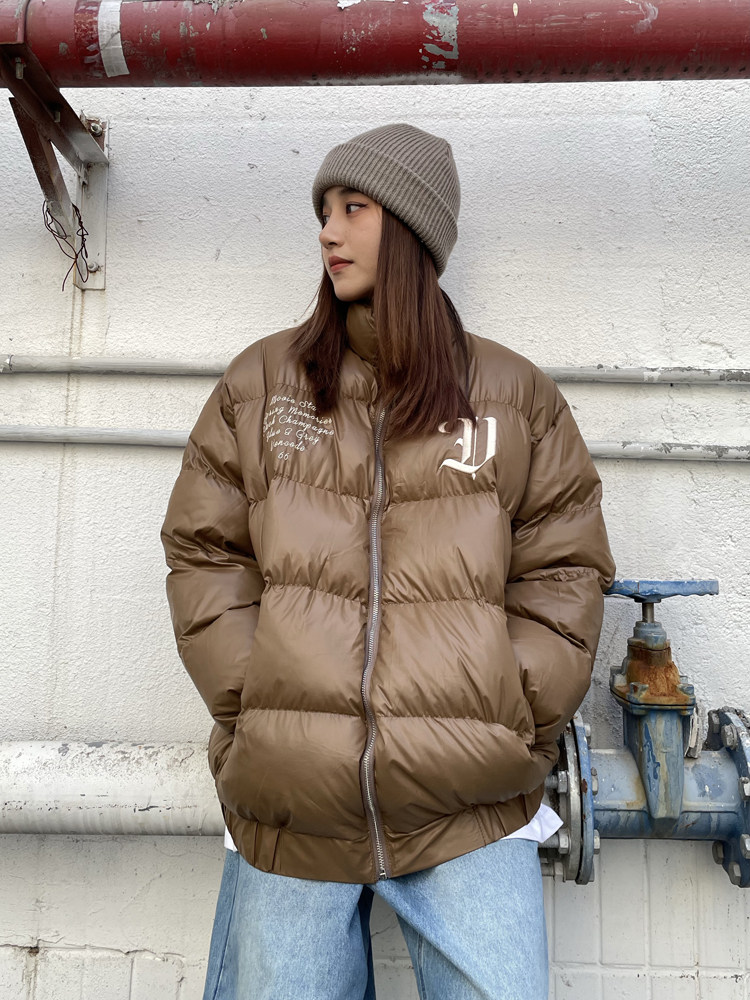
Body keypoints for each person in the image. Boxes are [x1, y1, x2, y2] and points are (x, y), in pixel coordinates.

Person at [161, 122, 615, 1000]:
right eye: (324, 211)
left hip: (469, 803)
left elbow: (565, 567)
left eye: (354, 208)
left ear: (411, 228)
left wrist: (510, 715)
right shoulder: (263, 386)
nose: (328, 232)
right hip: (293, 801)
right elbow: (204, 550)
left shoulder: (513, 399)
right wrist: (258, 702)